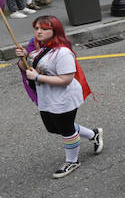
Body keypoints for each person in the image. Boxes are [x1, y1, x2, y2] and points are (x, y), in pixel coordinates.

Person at [15, 16, 102, 178]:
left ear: (55, 31)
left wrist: (38, 78)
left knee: (66, 129)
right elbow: (26, 67)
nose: (39, 31)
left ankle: (72, 161)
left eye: (44, 29)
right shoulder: (37, 50)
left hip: (65, 97)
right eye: (36, 28)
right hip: (47, 96)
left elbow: (65, 80)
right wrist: (23, 58)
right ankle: (93, 134)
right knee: (54, 128)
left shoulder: (63, 52)